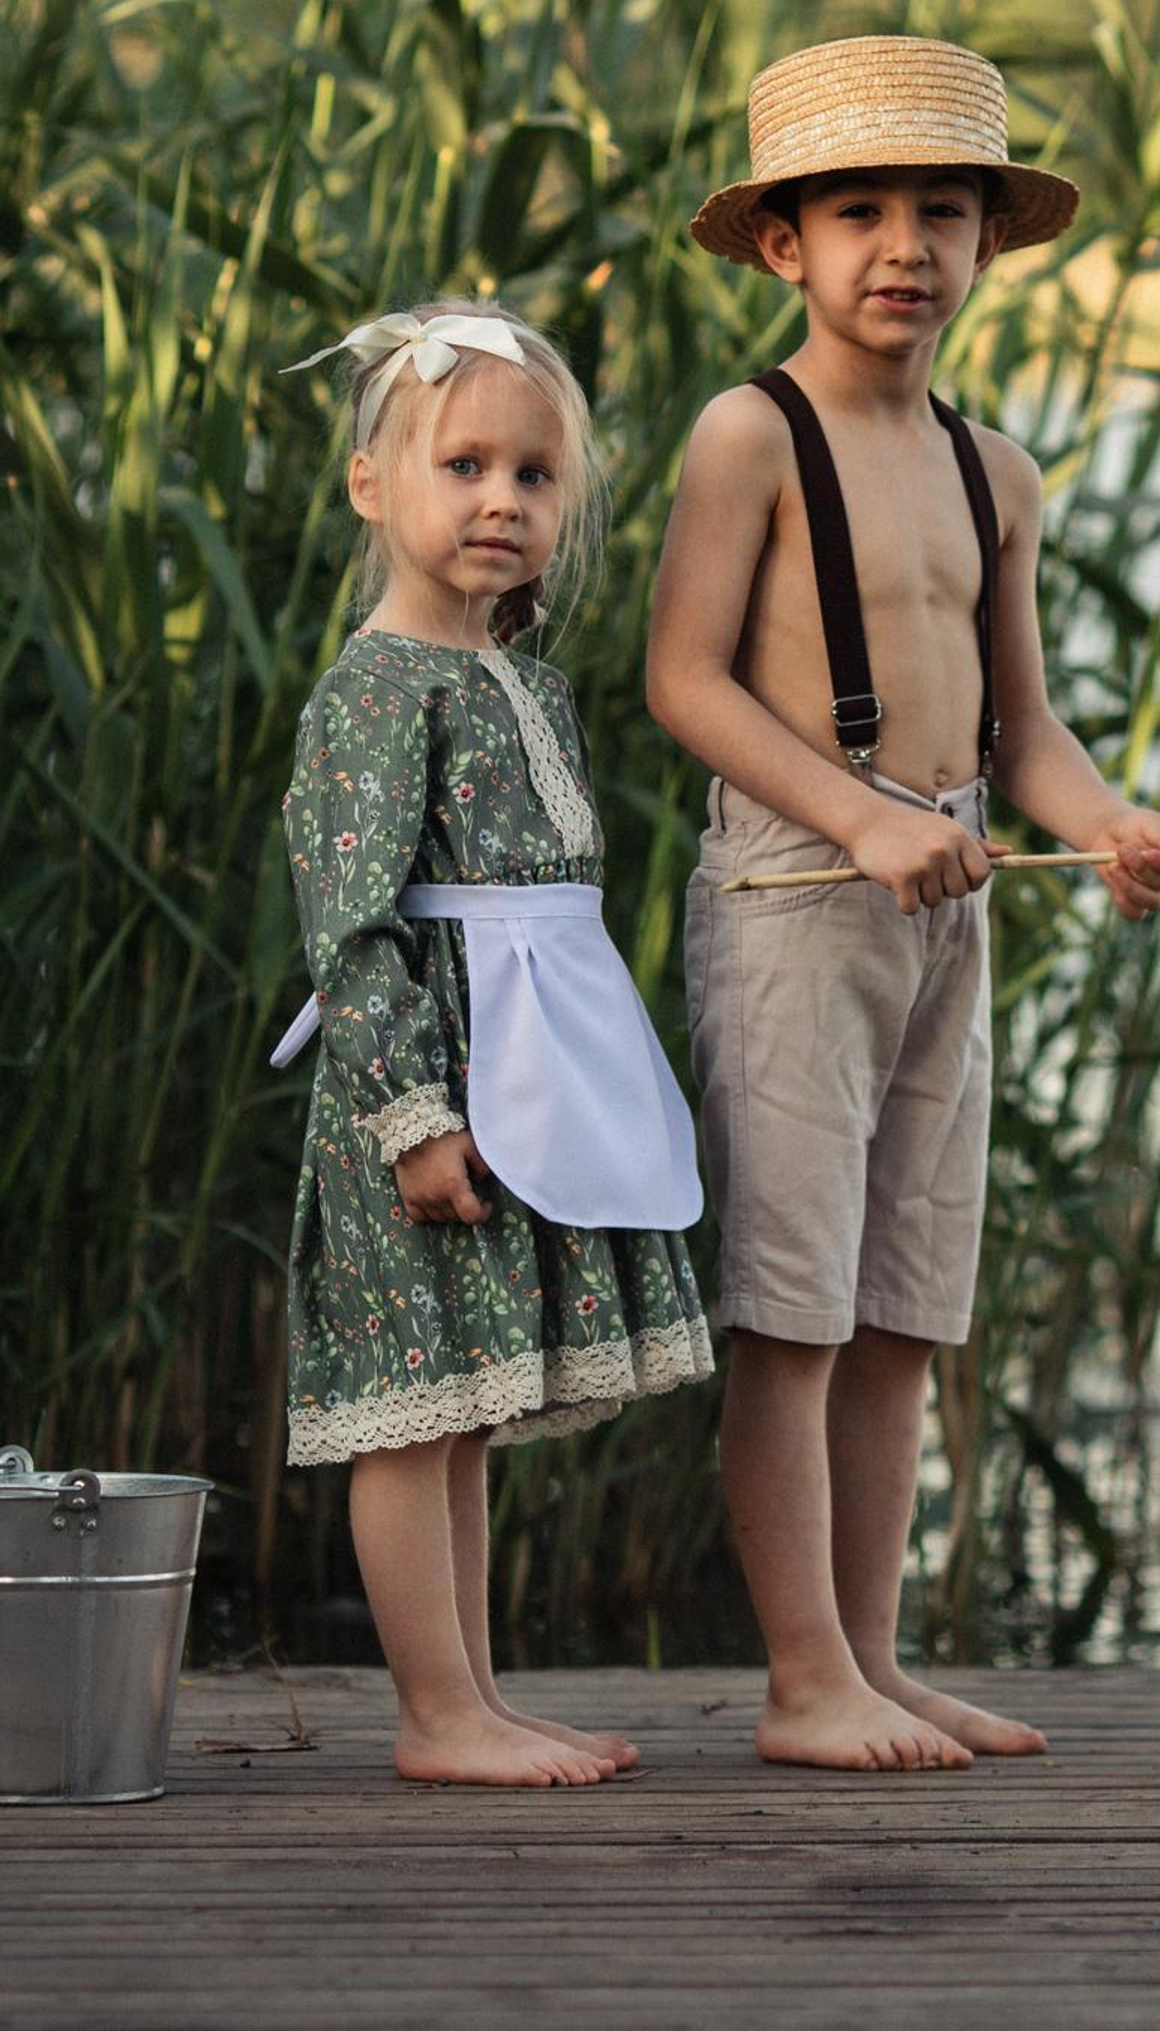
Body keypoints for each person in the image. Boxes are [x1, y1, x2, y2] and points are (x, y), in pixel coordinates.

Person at [647, 35, 1160, 1773]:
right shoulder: (748, 435)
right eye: (861, 211)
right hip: (799, 895)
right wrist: (864, 817)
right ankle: (801, 1676)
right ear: (784, 244)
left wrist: (1108, 824)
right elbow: (686, 683)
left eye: (941, 212)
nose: (904, 245)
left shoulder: (996, 468)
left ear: (984, 244)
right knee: (794, 1309)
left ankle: (871, 1664)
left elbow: (1027, 729)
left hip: (950, 905)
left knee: (900, 1310)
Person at [272, 301, 714, 1787]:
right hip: (430, 1087)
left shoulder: (521, 679)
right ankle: (434, 1715)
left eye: (532, 477)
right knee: (411, 1416)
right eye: (462, 466)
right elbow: (350, 928)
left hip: (520, 1063)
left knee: (466, 1409)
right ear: (371, 484)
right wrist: (410, 1115)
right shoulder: (377, 691)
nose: (499, 502)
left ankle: (475, 1694)